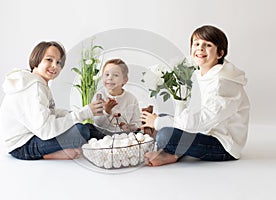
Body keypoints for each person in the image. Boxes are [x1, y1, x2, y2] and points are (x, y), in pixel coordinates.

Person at [141, 25, 250, 166]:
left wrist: (157, 123)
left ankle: (172, 153)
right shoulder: (204, 74)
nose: (200, 48)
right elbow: (194, 117)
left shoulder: (222, 82)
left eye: (208, 45)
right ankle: (173, 153)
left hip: (223, 145)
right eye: (196, 44)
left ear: (220, 53)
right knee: (164, 118)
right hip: (204, 131)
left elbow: (203, 119)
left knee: (165, 135)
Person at [0, 41, 104, 160]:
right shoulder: (34, 88)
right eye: (49, 59)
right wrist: (83, 113)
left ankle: (114, 140)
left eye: (59, 62)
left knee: (87, 127)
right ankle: (49, 154)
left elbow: (48, 112)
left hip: (33, 135)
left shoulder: (38, 82)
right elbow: (46, 130)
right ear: (37, 59)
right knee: (81, 131)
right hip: (22, 146)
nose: (55, 66)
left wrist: (77, 113)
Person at [87, 58, 141, 136]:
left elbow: (137, 122)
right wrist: (107, 111)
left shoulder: (131, 99)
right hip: (101, 133)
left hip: (123, 135)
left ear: (124, 80)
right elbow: (97, 122)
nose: (110, 78)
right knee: (89, 128)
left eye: (115, 75)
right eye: (107, 74)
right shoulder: (99, 96)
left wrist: (127, 126)